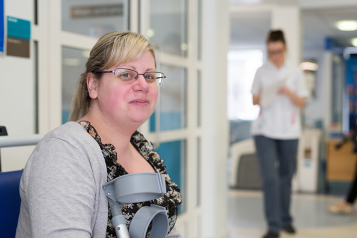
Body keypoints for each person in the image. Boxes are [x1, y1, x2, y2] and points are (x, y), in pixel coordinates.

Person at [16, 31, 182, 238]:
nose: (142, 86)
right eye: (126, 74)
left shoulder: (142, 147)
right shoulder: (63, 152)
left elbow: (168, 230)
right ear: (93, 85)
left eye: (149, 76)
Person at [251, 30, 307, 238]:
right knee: (270, 179)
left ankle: (286, 219)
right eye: (271, 52)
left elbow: (302, 102)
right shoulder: (261, 71)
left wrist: (287, 91)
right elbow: (254, 99)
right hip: (264, 130)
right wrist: (269, 91)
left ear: (285, 49)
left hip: (290, 131)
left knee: (286, 177)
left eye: (278, 51)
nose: (275, 55)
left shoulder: (295, 72)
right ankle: (273, 226)